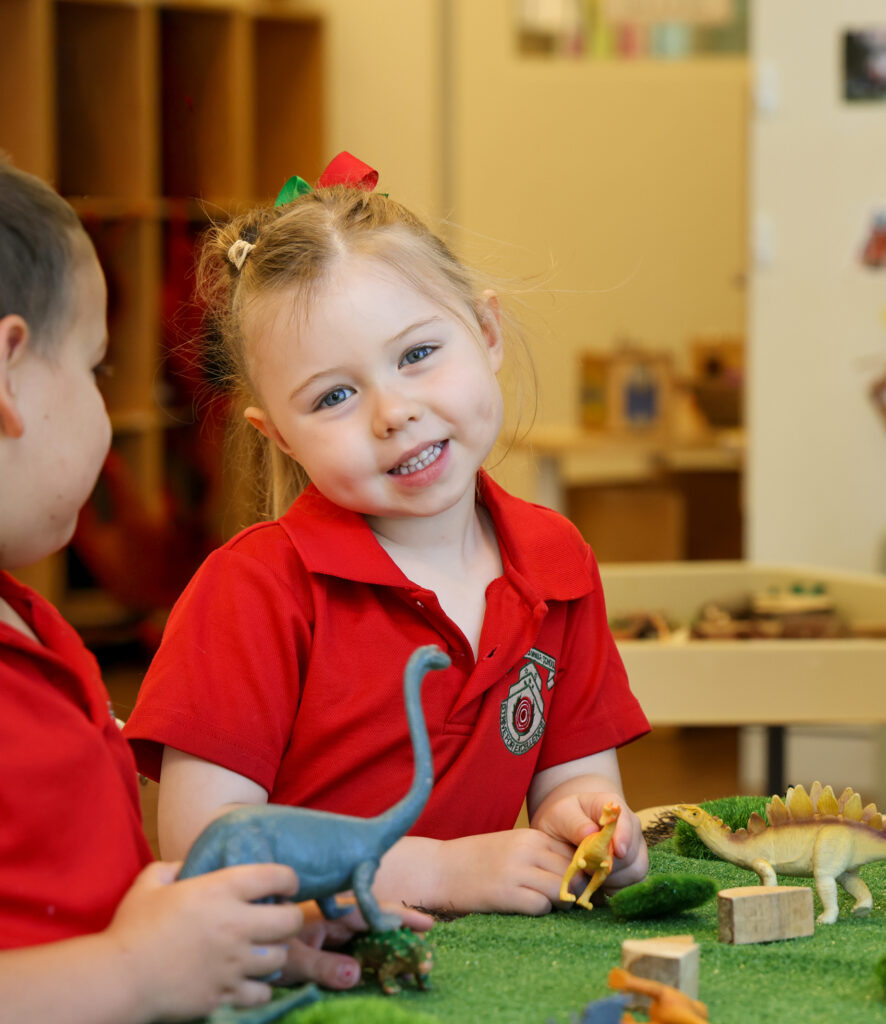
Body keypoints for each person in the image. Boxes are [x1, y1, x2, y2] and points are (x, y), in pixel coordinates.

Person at [124, 152, 651, 917]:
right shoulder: (253, 591)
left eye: (417, 355)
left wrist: (589, 821)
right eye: (335, 395)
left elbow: (573, 776)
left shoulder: (557, 561)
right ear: (282, 439)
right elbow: (206, 850)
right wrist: (437, 873)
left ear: (488, 330)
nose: (392, 412)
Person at [0, 158, 429, 1024]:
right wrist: (129, 972)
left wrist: (204, 936)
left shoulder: (37, 628)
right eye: (94, 365)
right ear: (8, 375)